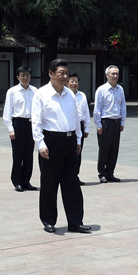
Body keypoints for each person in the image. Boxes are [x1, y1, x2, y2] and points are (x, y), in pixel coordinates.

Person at [31, 59, 91, 234]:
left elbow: (75, 119)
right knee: (49, 183)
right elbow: (36, 122)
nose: (65, 76)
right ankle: (48, 220)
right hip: (51, 141)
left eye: (67, 73)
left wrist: (78, 140)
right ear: (51, 73)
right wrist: (41, 144)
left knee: (72, 184)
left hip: (70, 141)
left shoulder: (70, 94)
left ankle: (75, 222)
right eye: (61, 73)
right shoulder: (41, 94)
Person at [3, 66, 37, 192]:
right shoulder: (12, 91)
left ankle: (26, 180)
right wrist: (10, 129)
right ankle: (16, 181)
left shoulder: (35, 91)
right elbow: (7, 112)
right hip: (18, 124)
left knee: (29, 155)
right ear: (18, 77)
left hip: (31, 125)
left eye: (27, 75)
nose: (25, 78)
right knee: (18, 155)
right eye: (22, 75)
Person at [93, 65, 126, 183]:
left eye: (117, 74)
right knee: (104, 149)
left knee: (114, 149)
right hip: (105, 122)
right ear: (107, 75)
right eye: (113, 74)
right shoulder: (101, 90)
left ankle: (110, 172)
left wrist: (122, 121)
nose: (115, 76)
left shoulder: (120, 89)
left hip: (117, 122)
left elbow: (123, 106)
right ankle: (102, 173)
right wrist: (98, 125)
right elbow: (97, 109)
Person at [67, 72, 90, 186]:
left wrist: (86, 128)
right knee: (68, 152)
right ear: (67, 83)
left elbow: (86, 112)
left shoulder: (82, 95)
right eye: (72, 81)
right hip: (68, 126)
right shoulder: (65, 95)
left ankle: (75, 176)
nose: (74, 83)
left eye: (76, 81)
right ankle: (68, 176)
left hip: (79, 126)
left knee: (78, 151)